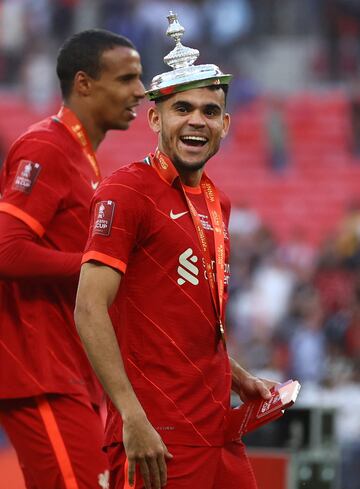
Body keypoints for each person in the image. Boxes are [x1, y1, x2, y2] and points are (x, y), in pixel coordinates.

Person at [75, 13, 273, 489]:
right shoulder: (127, 191)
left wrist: (236, 375)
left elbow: (184, 320)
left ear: (225, 124)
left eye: (209, 111)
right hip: (157, 434)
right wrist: (131, 417)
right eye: (182, 108)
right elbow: (88, 308)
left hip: (218, 429)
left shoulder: (216, 200)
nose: (196, 121)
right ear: (154, 117)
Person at [0, 29, 145, 489]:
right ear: (84, 84)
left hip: (70, 369)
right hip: (37, 368)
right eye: (126, 79)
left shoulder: (85, 159)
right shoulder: (47, 146)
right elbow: (5, 248)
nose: (139, 92)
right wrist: (100, 268)